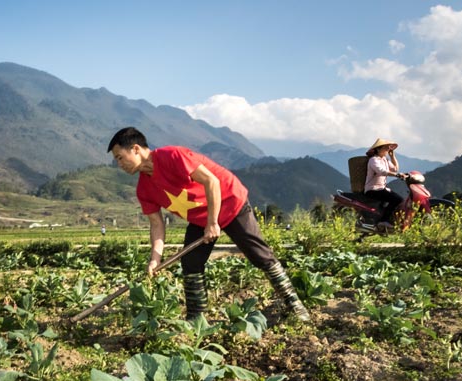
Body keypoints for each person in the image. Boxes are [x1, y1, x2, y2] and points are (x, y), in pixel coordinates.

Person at [107, 127, 310, 322]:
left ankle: (296, 308)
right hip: (200, 218)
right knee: (191, 263)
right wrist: (155, 259)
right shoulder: (144, 188)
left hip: (231, 202)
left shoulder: (173, 156)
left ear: (135, 149)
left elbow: (211, 181)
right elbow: (157, 225)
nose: (119, 164)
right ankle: (197, 319)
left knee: (260, 256)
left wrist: (213, 223)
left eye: (119, 157)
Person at [364, 138, 406, 228]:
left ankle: (384, 220)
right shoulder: (373, 160)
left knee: (400, 199)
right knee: (397, 199)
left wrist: (392, 156)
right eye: (386, 147)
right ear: (378, 149)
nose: (388, 149)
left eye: (388, 148)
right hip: (373, 189)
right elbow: (381, 171)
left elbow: (395, 168)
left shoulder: (385, 160)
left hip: (381, 188)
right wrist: (397, 175)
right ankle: (383, 221)